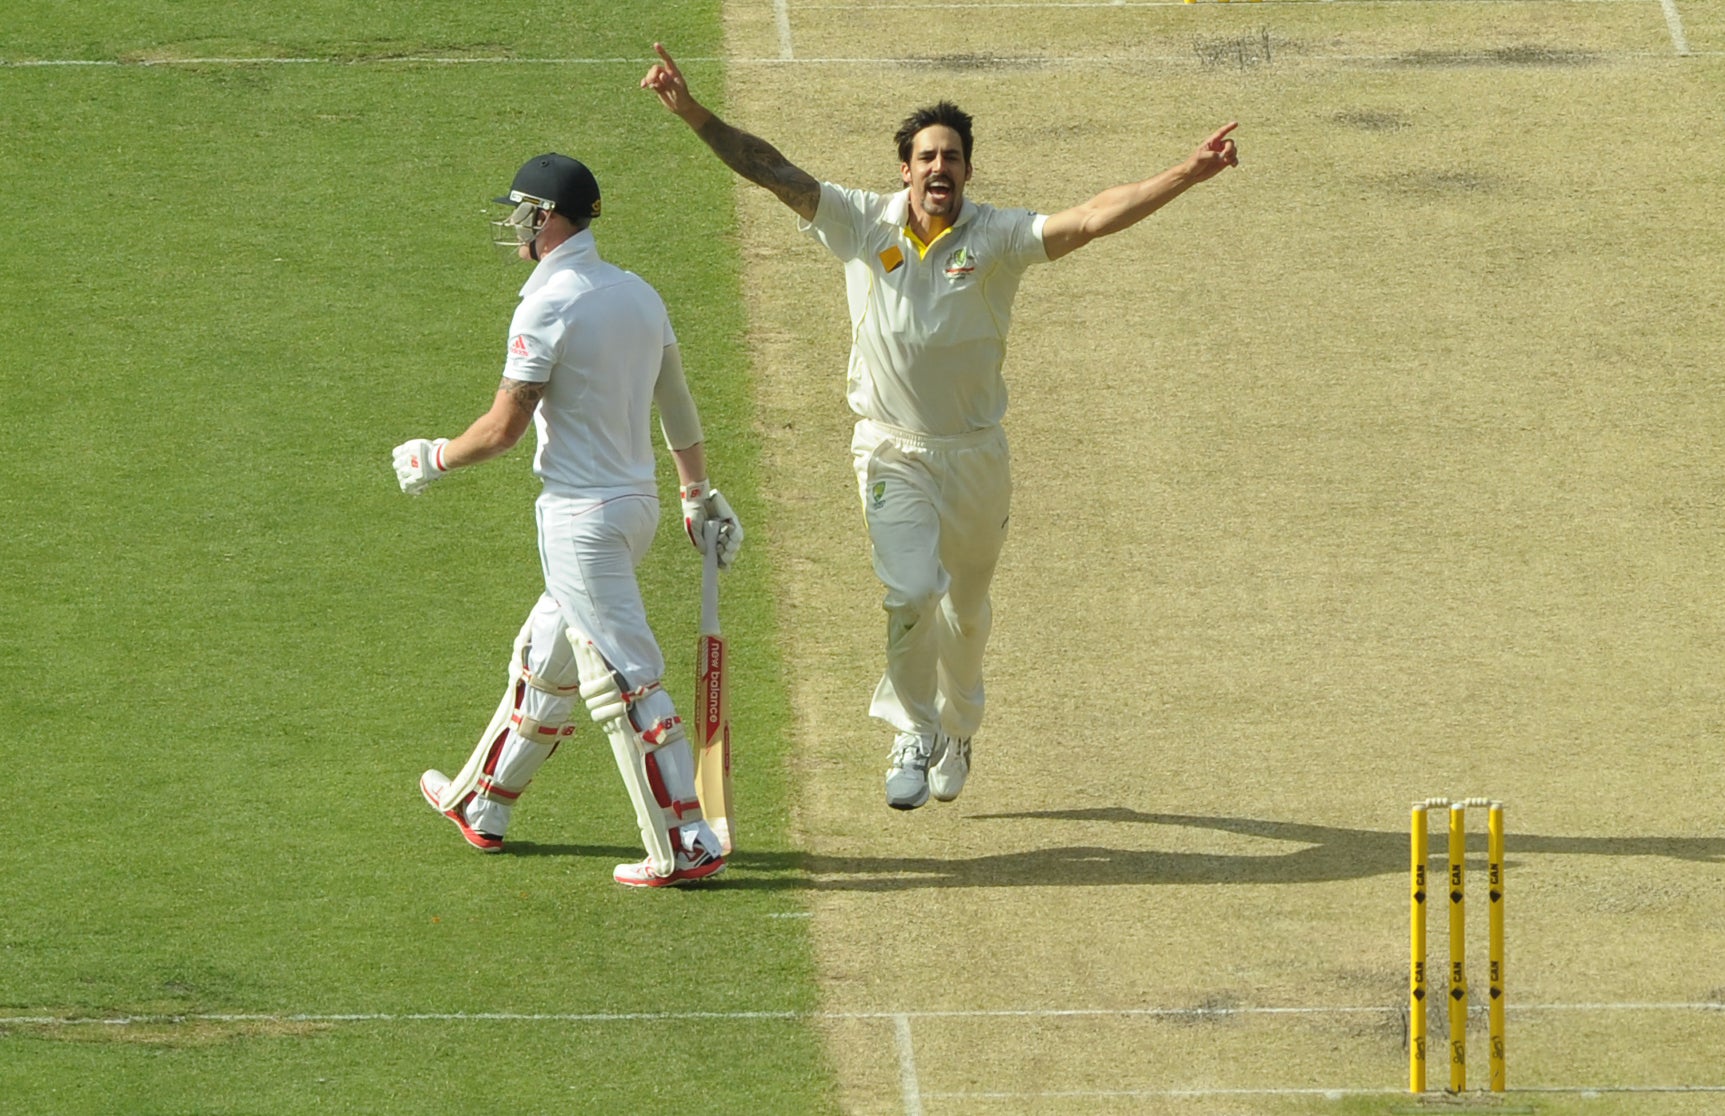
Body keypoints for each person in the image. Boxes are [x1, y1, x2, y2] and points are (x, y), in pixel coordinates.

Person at [641, 44, 1239, 812]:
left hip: (975, 456)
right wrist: (691, 112)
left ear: (966, 171)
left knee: (964, 606)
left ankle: (959, 729)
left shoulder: (996, 238)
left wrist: (1184, 174)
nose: (938, 168)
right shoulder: (860, 222)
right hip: (891, 448)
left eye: (951, 157)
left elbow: (1091, 218)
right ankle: (912, 730)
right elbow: (771, 168)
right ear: (904, 169)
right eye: (925, 156)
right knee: (909, 591)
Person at [391, 152, 742, 886]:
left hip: (579, 519)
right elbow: (675, 403)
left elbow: (503, 428)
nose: (513, 225)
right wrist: (695, 492)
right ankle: (481, 801)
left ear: (545, 218)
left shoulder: (547, 303)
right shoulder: (639, 293)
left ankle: (682, 845)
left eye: (520, 211)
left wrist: (433, 458)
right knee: (543, 657)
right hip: (634, 510)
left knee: (628, 680)